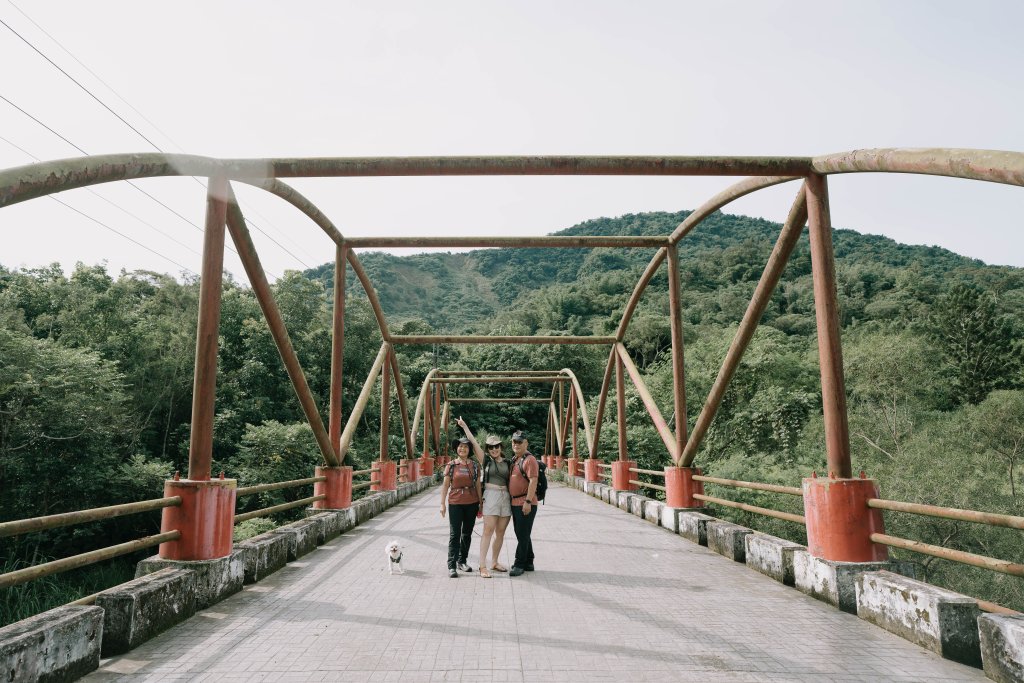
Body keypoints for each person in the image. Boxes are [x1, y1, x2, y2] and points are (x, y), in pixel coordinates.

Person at [455, 417, 512, 579]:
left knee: (500, 532)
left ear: (501, 447)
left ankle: (494, 562)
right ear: (488, 449)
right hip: (491, 495)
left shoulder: (508, 462)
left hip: (505, 497)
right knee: (488, 531)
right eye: (491, 447)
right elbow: (473, 442)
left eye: (496, 446)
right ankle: (482, 566)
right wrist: (465, 426)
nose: (494, 449)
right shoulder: (486, 460)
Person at [439, 433, 482, 578]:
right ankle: (451, 565)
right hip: (455, 503)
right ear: (457, 449)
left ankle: (462, 561)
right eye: (460, 446)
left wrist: (481, 503)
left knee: (467, 534)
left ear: (469, 449)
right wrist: (442, 504)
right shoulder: (451, 465)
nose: (462, 449)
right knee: (454, 534)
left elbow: (477, 484)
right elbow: (445, 485)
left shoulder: (475, 466)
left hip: (472, 503)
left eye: (465, 446)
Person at [507, 430, 539, 577]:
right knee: (523, 533)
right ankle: (529, 561)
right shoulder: (515, 459)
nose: (516, 444)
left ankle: (519, 564)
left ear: (526, 443)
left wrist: (527, 501)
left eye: (519, 442)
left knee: (522, 534)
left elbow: (533, 480)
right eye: (514, 441)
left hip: (525, 502)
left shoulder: (529, 459)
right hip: (515, 502)